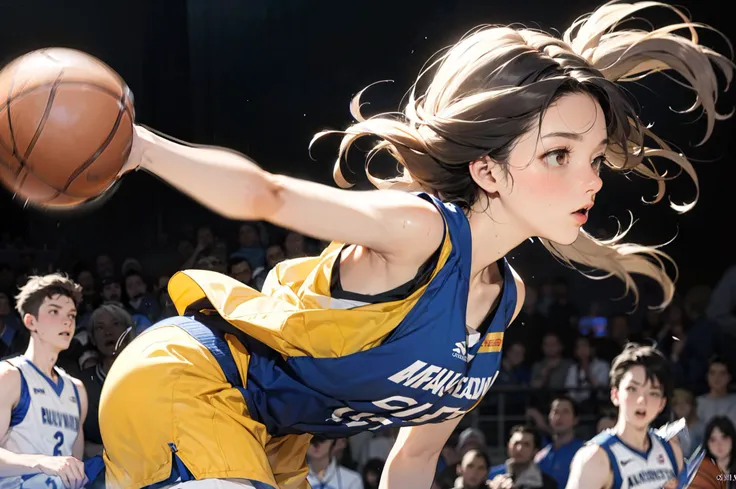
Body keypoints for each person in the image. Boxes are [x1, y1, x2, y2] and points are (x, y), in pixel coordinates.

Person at [98, 2, 732, 489]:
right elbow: (268, 197)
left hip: (269, 434)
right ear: (486, 169)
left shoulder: (504, 300)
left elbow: (417, 454)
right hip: (192, 379)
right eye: (559, 153)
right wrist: (142, 149)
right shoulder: (420, 231)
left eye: (594, 157)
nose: (590, 177)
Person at [0, 274, 89, 489]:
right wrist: (41, 462)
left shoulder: (77, 390)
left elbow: (75, 471)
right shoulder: (10, 376)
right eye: (54, 312)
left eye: (71, 315)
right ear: (31, 321)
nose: (67, 320)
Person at [565, 344, 683, 489]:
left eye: (653, 393)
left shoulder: (671, 450)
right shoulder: (595, 458)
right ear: (615, 395)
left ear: (662, 404)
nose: (642, 400)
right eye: (632, 389)